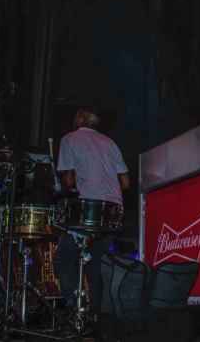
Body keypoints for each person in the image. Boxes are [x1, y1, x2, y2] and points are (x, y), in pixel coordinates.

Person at [53, 102, 129, 318]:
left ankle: (73, 313)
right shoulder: (110, 143)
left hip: (89, 209)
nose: (74, 119)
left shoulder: (70, 139)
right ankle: (98, 317)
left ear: (82, 119)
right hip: (114, 210)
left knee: (63, 260)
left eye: (76, 116)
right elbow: (125, 183)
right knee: (95, 264)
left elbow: (68, 180)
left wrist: (59, 186)